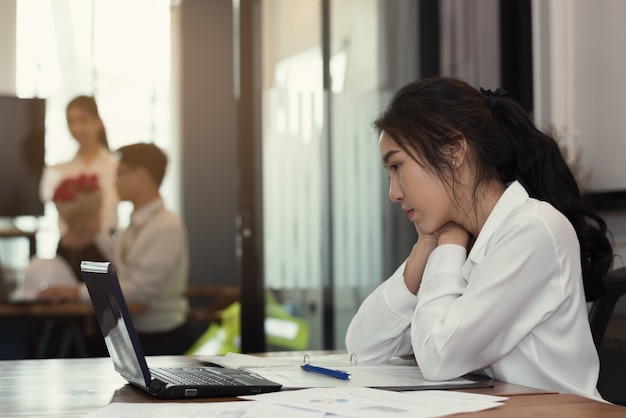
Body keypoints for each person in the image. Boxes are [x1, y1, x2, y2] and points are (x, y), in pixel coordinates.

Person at [345, 76, 613, 400]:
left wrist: (446, 245)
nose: (393, 193)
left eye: (398, 166)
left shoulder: (533, 230)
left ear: (453, 151)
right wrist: (425, 248)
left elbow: (437, 356)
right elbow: (363, 347)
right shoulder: (462, 238)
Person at [38, 142, 195, 356]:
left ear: (141, 176)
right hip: (139, 335)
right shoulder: (136, 224)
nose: (114, 181)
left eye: (120, 173)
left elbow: (139, 293)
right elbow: (123, 263)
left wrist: (76, 292)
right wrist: (92, 234)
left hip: (162, 341)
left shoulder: (166, 226)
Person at [38, 95, 119, 281]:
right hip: (69, 247)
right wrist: (70, 232)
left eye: (83, 120)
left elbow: (111, 215)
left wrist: (93, 232)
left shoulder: (115, 167)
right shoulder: (61, 170)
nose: (77, 128)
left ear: (98, 122)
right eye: (71, 122)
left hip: (102, 248)